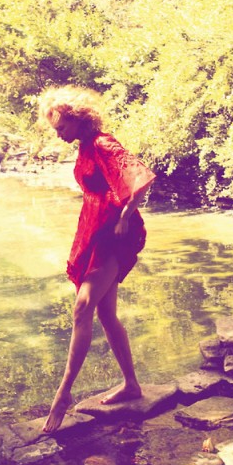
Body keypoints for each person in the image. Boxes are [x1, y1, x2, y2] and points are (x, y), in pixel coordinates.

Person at [38, 86, 156, 434]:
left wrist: (125, 217)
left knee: (82, 308)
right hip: (93, 231)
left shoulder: (103, 143)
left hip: (112, 236)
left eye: (61, 127)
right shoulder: (85, 146)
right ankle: (131, 385)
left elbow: (140, 177)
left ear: (78, 119)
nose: (58, 134)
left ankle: (62, 395)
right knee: (106, 314)